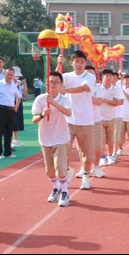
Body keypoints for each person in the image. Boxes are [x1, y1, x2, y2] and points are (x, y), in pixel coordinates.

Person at [56, 50, 97, 190]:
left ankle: (86, 176)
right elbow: (55, 80)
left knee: (86, 152)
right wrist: (58, 64)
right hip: (68, 120)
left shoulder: (90, 77)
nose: (79, 64)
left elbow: (83, 88)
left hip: (85, 120)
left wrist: (65, 91)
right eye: (77, 61)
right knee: (64, 151)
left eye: (82, 62)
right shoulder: (67, 76)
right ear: (71, 62)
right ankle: (67, 172)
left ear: (85, 63)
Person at [31, 71, 73, 207]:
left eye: (56, 82)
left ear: (61, 85)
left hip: (60, 138)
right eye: (51, 82)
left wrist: (53, 103)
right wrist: (42, 115)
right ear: (46, 84)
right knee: (49, 171)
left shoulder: (64, 99)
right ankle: (56, 188)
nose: (53, 85)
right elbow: (34, 120)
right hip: (45, 138)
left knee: (60, 167)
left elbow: (68, 112)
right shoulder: (40, 99)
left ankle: (65, 192)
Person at [11, 74, 28, 148]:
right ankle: (9, 140)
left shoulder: (19, 83)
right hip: (11, 102)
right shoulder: (10, 83)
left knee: (17, 120)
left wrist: (24, 83)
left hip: (19, 102)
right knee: (10, 121)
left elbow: (25, 93)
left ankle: (15, 140)